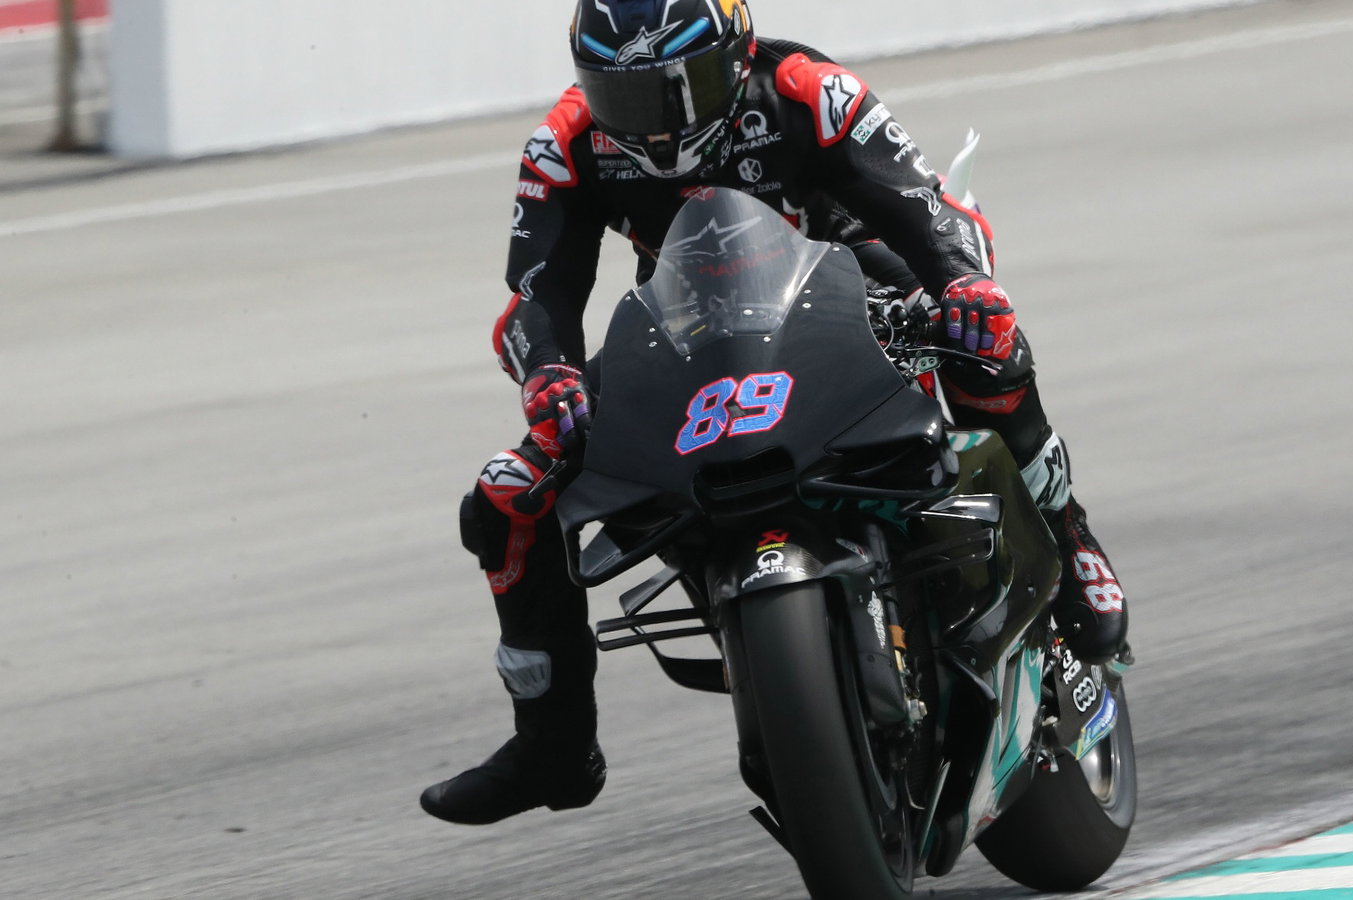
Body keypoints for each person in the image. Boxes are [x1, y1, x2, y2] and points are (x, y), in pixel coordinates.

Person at [420, 0, 1129, 826]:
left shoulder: (806, 91)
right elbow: (539, 295)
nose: (656, 125)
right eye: (631, 98)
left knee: (986, 338)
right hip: (692, 317)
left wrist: (962, 284)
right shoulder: (567, 144)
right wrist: (549, 375)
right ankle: (553, 742)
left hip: (852, 280)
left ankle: (1070, 534)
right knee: (507, 494)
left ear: (737, 52)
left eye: (682, 89)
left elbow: (925, 209)